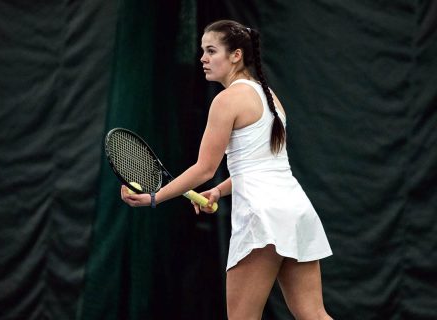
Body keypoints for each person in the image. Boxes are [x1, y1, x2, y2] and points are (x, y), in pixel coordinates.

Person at [121, 19, 333, 320]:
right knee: (313, 314)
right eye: (202, 51)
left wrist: (155, 197)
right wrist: (220, 190)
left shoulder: (227, 100)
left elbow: (204, 169)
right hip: (295, 210)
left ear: (235, 55)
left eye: (211, 51)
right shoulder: (271, 96)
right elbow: (262, 167)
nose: (203, 59)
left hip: (261, 217)